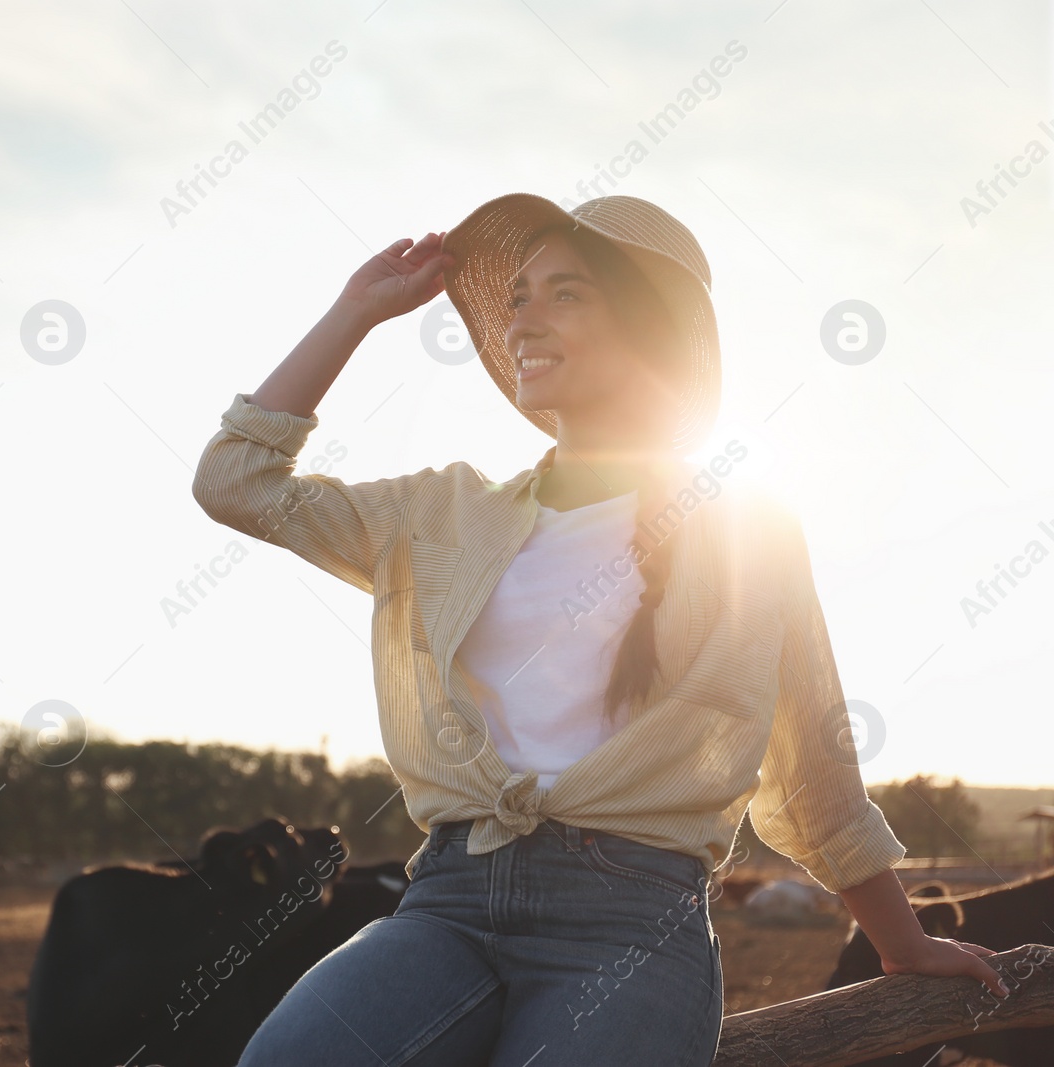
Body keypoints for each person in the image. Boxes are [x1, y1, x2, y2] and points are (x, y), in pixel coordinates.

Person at [190, 193, 1008, 1066]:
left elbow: (813, 765)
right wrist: (355, 312)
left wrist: (902, 942)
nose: (523, 321)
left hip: (631, 924)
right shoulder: (440, 516)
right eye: (517, 298)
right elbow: (235, 480)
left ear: (648, 328)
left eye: (564, 294)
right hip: (449, 901)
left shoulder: (744, 529)